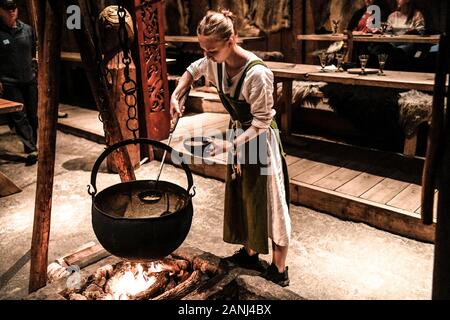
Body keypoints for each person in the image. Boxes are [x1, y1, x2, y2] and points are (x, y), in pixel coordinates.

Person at [170, 9, 291, 287]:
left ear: (231, 39)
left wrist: (228, 144)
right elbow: (192, 71)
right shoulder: (214, 62)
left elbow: (262, 122)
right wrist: (177, 95)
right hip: (240, 135)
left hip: (261, 141)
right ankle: (249, 255)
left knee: (271, 203)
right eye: (203, 49)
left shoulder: (257, 74)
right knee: (244, 195)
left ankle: (279, 268)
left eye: (211, 50)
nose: (207, 56)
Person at [0, 0, 38, 164]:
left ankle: (33, 144)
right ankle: (31, 149)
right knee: (19, 115)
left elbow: (33, 51)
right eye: (7, 9)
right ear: (0, 11)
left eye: (13, 8)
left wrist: (35, 67)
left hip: (29, 79)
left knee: (32, 114)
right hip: (9, 81)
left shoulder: (27, 30)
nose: (11, 12)